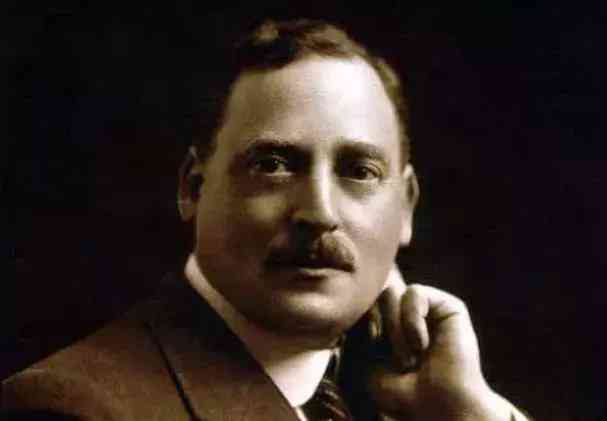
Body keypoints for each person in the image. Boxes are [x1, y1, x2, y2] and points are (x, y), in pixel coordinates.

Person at [2, 19, 530, 420]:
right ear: (193, 187)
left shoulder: (421, 401)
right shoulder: (70, 408)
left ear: (406, 206)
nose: (319, 213)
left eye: (359, 172)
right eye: (274, 165)